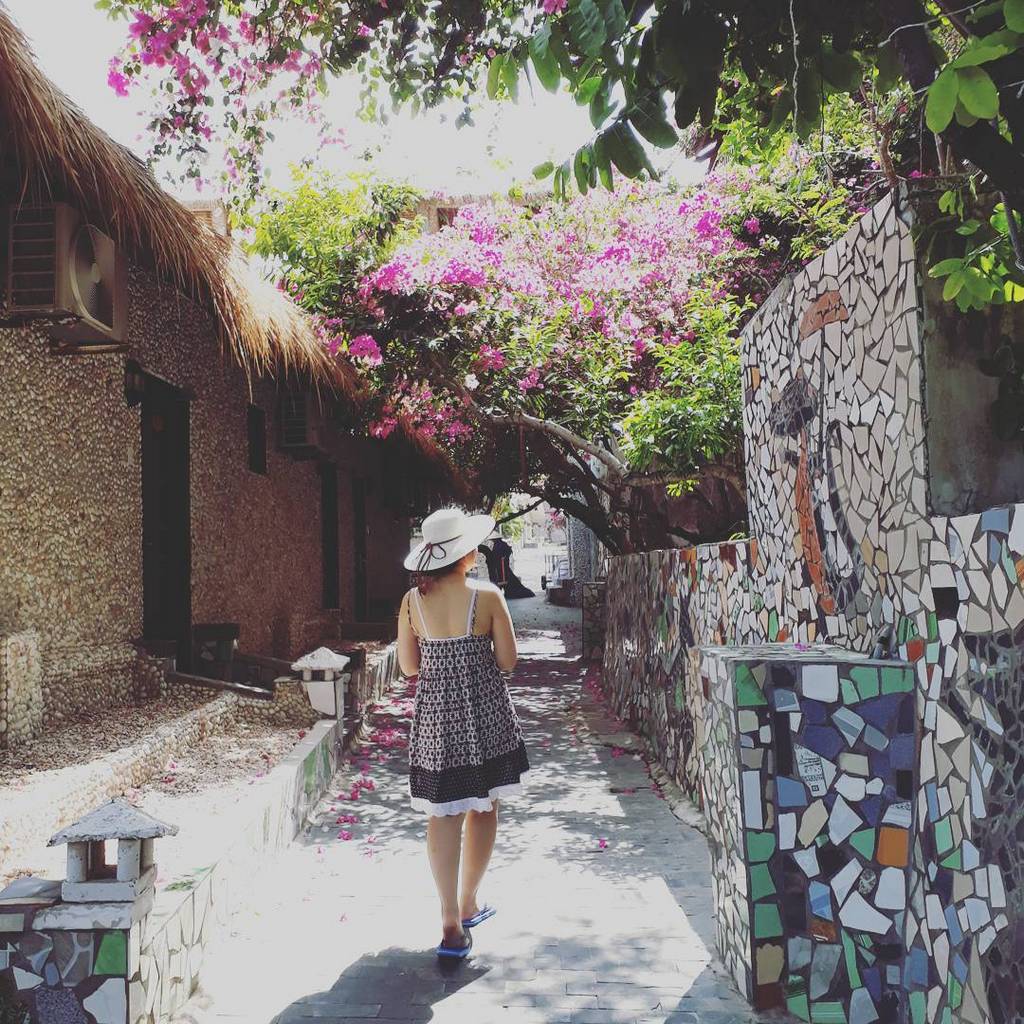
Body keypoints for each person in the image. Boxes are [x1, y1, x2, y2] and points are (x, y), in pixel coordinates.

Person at [398, 508, 531, 959]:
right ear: (466, 554)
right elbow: (508, 661)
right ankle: (470, 901)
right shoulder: (487, 595)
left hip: (436, 720)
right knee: (484, 805)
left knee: (442, 814)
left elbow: (409, 666)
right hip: (485, 716)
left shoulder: (412, 601)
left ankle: (449, 918)